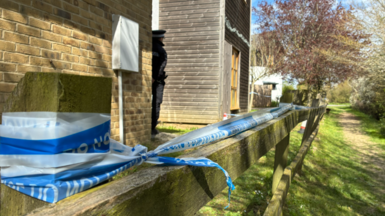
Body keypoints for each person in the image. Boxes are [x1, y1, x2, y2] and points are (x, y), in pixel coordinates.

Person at [151, 30, 168, 136]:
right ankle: (152, 128)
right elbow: (161, 66)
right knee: (156, 103)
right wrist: (155, 77)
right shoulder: (161, 51)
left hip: (147, 79)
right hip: (157, 81)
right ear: (160, 38)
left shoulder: (148, 47)